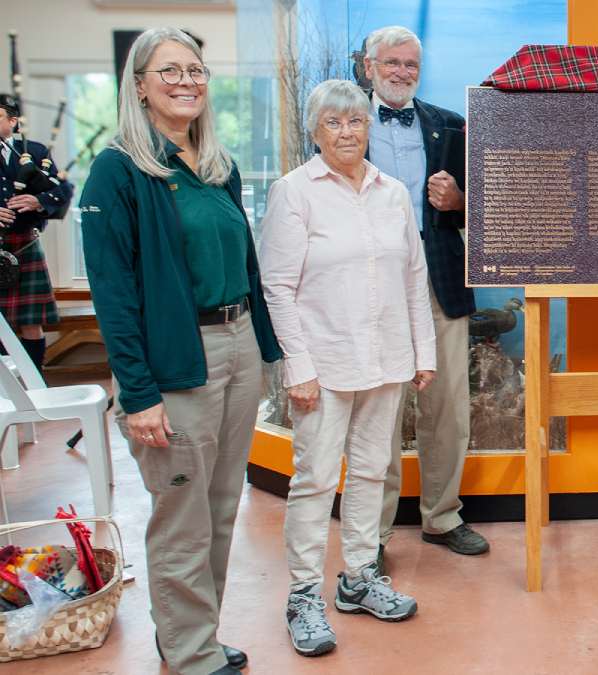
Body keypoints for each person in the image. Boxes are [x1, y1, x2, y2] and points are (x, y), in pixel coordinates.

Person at [79, 27, 281, 675]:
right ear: (138, 86)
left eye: (196, 69)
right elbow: (111, 293)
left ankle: (195, 636)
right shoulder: (117, 171)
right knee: (182, 513)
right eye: (169, 71)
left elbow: (245, 264)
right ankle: (192, 653)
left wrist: (267, 350)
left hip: (238, 343)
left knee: (222, 507)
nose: (187, 81)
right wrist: (137, 392)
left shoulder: (217, 167)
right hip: (176, 358)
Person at [259, 79, 435, 656]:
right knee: (313, 480)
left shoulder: (389, 193)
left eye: (355, 122)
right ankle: (304, 594)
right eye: (333, 123)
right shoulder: (295, 192)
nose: (346, 132)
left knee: (369, 471)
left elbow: (414, 276)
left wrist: (422, 353)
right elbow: (277, 287)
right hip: (325, 364)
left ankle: (359, 577)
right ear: (315, 131)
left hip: (386, 360)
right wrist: (298, 367)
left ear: (368, 127)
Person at [363, 25, 489, 558]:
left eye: (410, 65)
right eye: (391, 63)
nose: (401, 73)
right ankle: (374, 532)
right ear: (369, 66)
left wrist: (460, 201)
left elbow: (493, 212)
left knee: (448, 408)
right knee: (380, 413)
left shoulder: (449, 124)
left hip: (438, 273)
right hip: (370, 285)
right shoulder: (342, 125)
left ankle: (442, 516)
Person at [0, 93, 73, 371]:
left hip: (23, 244)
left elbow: (62, 191)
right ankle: (5, 394)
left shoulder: (36, 152)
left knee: (30, 322)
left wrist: (38, 201)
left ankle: (35, 384)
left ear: (13, 121)